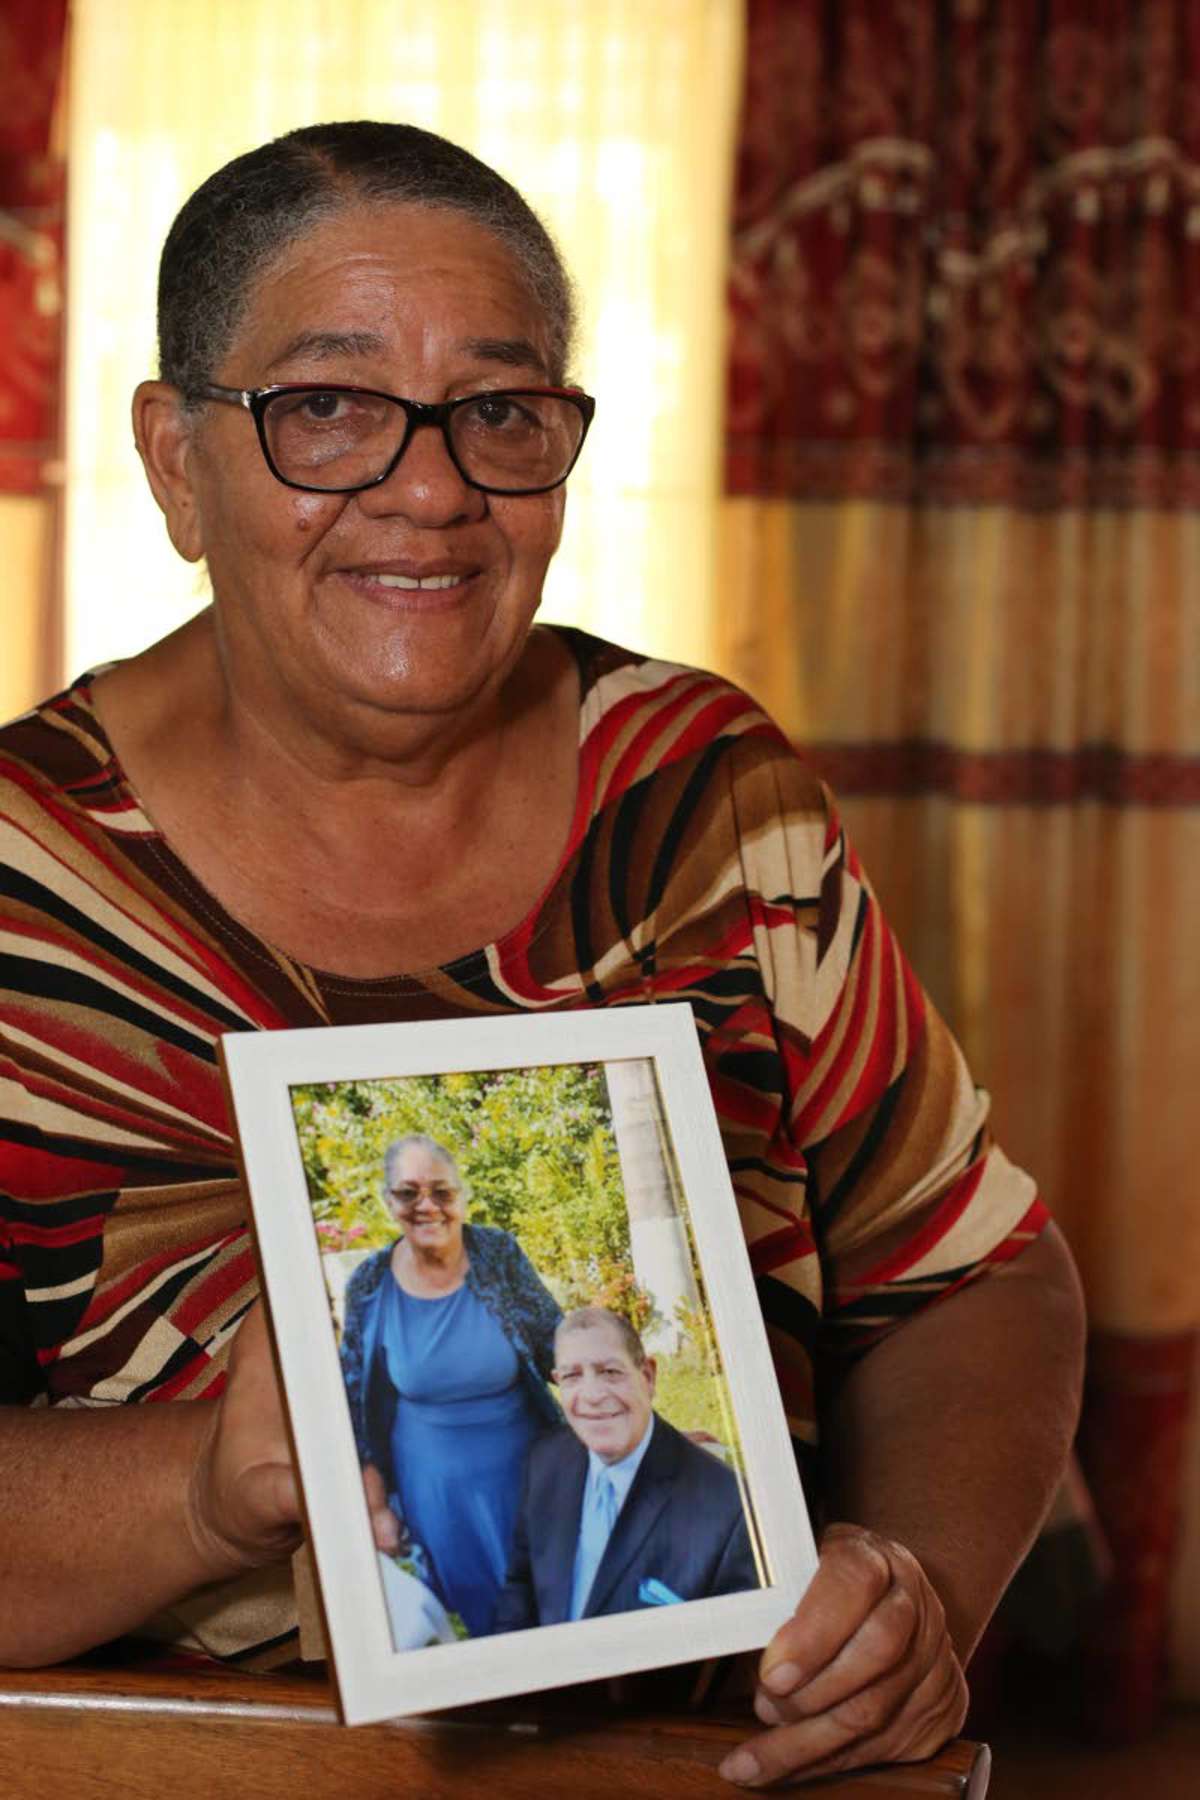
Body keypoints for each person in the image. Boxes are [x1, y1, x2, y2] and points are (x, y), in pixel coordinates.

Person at [0, 120, 1084, 1785]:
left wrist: (916, 1587)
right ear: (175, 462)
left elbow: (978, 1274)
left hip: (699, 1769)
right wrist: (204, 1492)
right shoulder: (24, 882)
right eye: (329, 406)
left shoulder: (704, 799)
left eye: (501, 412)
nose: (433, 489)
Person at [338, 1134, 561, 1637]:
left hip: (529, 1473)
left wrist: (644, 1431)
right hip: (438, 1494)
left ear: (462, 1195)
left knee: (559, 1600)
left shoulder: (497, 1253)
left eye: (442, 1191)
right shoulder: (370, 1284)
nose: (427, 1206)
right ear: (388, 1200)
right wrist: (376, 1508)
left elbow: (558, 1344)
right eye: (408, 1193)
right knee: (491, 1622)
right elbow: (353, 1406)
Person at [495, 1307, 758, 1631]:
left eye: (610, 1372)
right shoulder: (545, 1460)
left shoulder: (732, 1511)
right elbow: (521, 1585)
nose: (592, 1396)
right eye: (572, 1376)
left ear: (648, 1376)